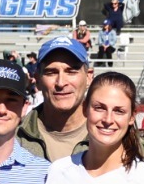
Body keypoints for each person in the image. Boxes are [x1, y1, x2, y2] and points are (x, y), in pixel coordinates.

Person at [18, 33, 93, 161]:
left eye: (71, 72)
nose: (61, 83)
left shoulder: (116, 137)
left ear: (89, 77)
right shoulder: (14, 139)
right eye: (51, 72)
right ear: (38, 79)